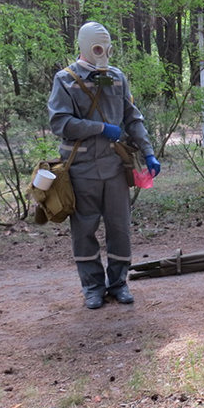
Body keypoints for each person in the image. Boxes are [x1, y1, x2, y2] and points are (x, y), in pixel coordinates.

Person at [48, 21, 161, 309]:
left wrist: (148, 152)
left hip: (115, 168)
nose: (103, 53)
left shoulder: (117, 77)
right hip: (81, 169)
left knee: (120, 228)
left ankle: (119, 283)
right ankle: (93, 287)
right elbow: (60, 122)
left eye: (106, 48)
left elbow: (132, 118)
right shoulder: (65, 79)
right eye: (98, 48)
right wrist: (99, 128)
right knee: (84, 230)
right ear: (85, 46)